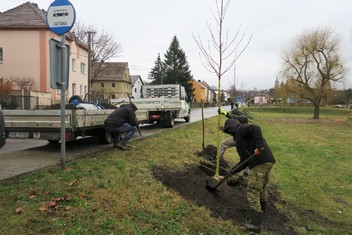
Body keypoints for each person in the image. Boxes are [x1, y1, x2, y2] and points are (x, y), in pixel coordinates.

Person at [222, 118, 276, 233]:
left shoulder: (241, 129)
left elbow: (256, 128)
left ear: (231, 129)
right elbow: (244, 161)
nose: (229, 134)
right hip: (267, 161)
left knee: (253, 191)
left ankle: (255, 225)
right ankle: (261, 214)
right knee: (261, 188)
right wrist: (232, 171)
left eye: (228, 132)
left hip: (259, 162)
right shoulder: (241, 142)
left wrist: (258, 146)